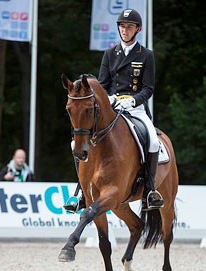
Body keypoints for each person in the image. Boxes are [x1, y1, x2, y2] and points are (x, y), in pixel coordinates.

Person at [64, 8, 163, 213]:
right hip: (111, 107)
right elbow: (102, 84)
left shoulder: (146, 55)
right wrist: (109, 99)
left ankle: (150, 190)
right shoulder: (110, 53)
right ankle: (81, 193)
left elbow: (148, 88)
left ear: (138, 29)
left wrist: (133, 101)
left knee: (153, 140)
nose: (125, 30)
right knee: (78, 141)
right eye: (122, 26)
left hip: (135, 109)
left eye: (129, 27)